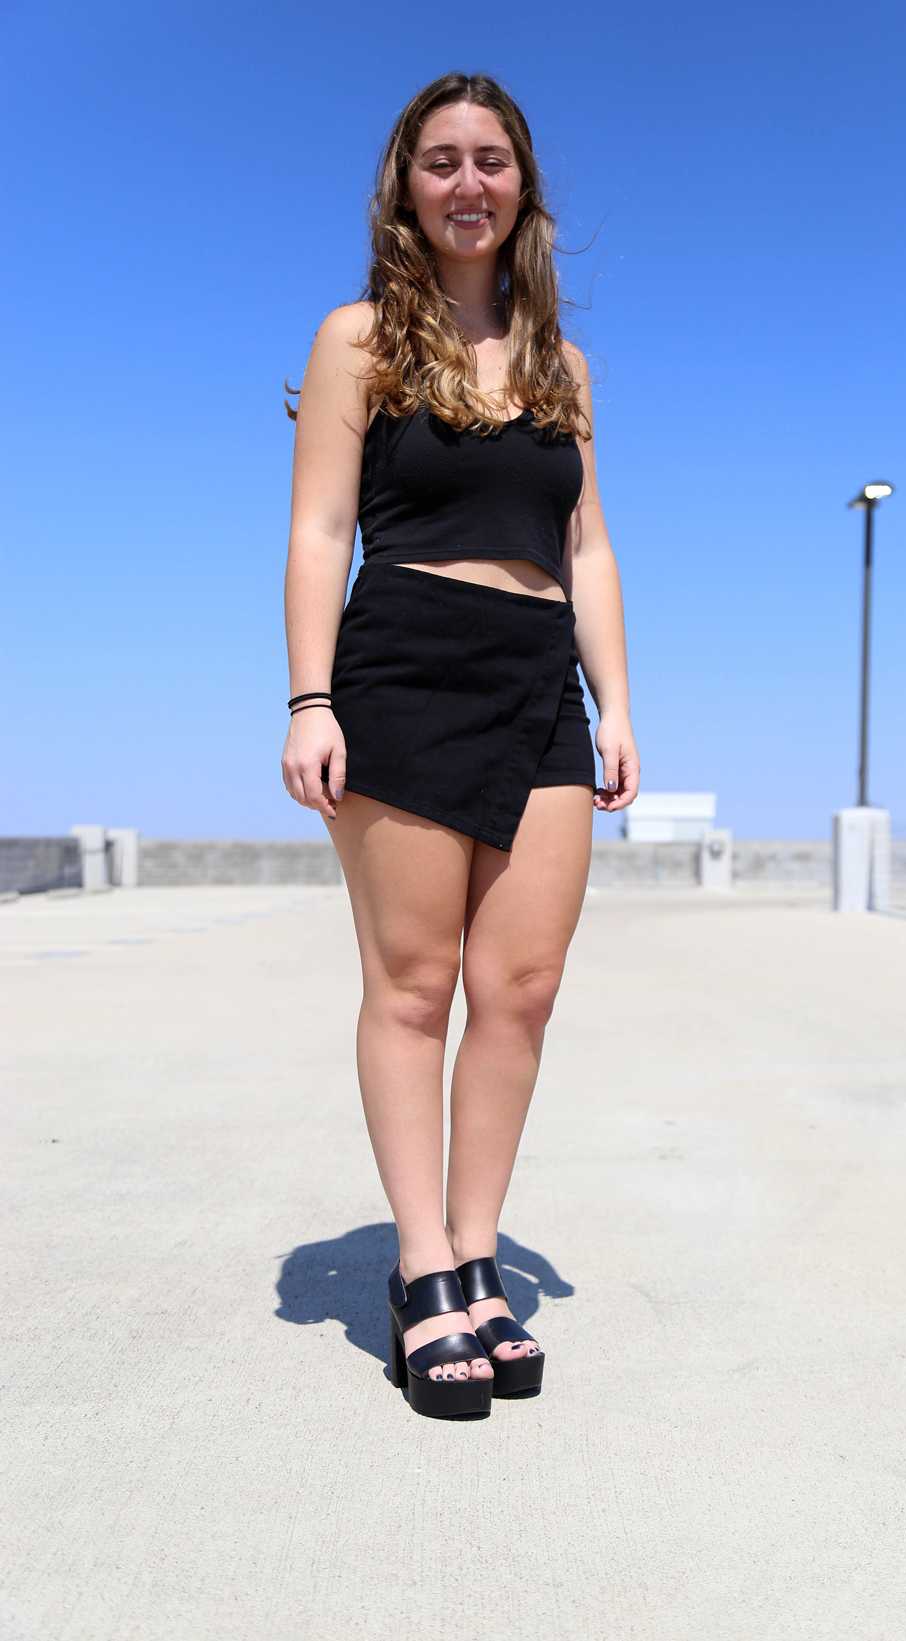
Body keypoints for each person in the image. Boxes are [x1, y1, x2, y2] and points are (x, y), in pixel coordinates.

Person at [281, 71, 639, 1419]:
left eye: (491, 160)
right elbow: (321, 529)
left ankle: (477, 1245)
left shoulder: (566, 367)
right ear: (405, 187)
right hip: (405, 665)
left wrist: (614, 701)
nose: (467, 184)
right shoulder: (357, 338)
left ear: (522, 187)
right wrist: (309, 699)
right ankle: (418, 1263)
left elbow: (587, 542)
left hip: (538, 678)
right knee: (414, 987)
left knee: (522, 987)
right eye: (441, 162)